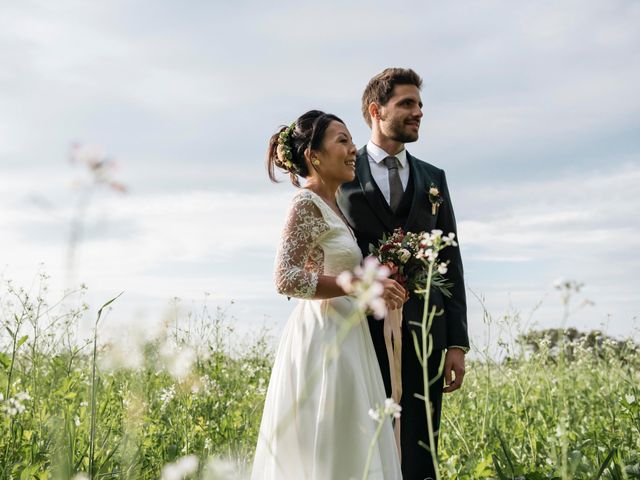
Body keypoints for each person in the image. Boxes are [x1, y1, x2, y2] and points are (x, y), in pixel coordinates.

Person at [251, 110, 405, 479]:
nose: (354, 150)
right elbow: (284, 277)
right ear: (313, 156)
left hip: (347, 338)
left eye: (352, 141)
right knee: (328, 444)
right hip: (322, 341)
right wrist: (356, 284)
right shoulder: (306, 204)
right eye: (343, 141)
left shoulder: (334, 207)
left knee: (351, 445)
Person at [337, 68, 470, 480]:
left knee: (421, 441)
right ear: (377, 111)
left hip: (427, 332)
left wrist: (457, 343)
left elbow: (451, 255)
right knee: (364, 435)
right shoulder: (341, 172)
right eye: (407, 104)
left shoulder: (434, 179)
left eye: (420, 104)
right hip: (358, 329)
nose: (419, 113)